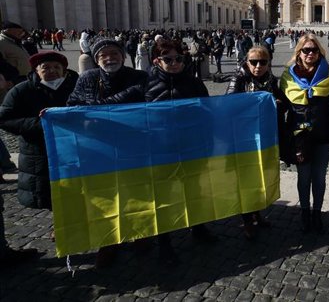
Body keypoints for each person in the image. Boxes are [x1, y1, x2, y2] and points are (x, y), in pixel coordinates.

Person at [67, 39, 149, 268]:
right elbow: (72, 104)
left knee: (137, 191)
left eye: (114, 53)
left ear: (123, 57)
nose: (109, 58)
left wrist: (99, 106)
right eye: (104, 55)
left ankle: (141, 232)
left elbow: (145, 101)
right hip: (99, 147)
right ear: (96, 59)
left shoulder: (139, 77)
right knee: (104, 195)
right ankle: (109, 241)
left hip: (133, 145)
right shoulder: (87, 78)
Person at [144, 39, 216, 265]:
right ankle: (164, 242)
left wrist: (208, 143)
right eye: (168, 59)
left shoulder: (194, 83)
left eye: (178, 59)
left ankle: (198, 227)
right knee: (163, 198)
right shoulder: (145, 84)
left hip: (191, 147)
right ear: (157, 60)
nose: (174, 63)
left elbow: (208, 113)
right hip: (160, 150)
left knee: (194, 190)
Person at [0, 52, 78, 210]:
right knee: (47, 193)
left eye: (57, 67)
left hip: (72, 149)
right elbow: (4, 118)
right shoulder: (21, 90)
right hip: (38, 152)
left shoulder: (75, 87)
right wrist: (41, 124)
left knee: (75, 191)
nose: (52, 70)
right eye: (46, 67)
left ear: (64, 70)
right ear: (36, 70)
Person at [280, 34, 329, 234]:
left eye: (314, 50)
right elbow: (280, 105)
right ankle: (305, 212)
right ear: (299, 52)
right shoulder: (288, 77)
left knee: (320, 177)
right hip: (299, 135)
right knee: (304, 176)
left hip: (323, 132)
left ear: (319, 52)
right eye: (306, 50)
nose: (310, 54)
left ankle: (317, 212)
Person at [226, 45, 286, 240]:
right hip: (243, 138)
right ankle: (246, 219)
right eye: (253, 62)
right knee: (246, 179)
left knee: (261, 176)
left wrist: (277, 103)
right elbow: (229, 103)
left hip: (264, 136)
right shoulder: (239, 78)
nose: (258, 66)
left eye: (263, 62)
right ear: (246, 62)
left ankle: (258, 213)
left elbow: (283, 102)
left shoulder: (271, 80)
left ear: (268, 63)